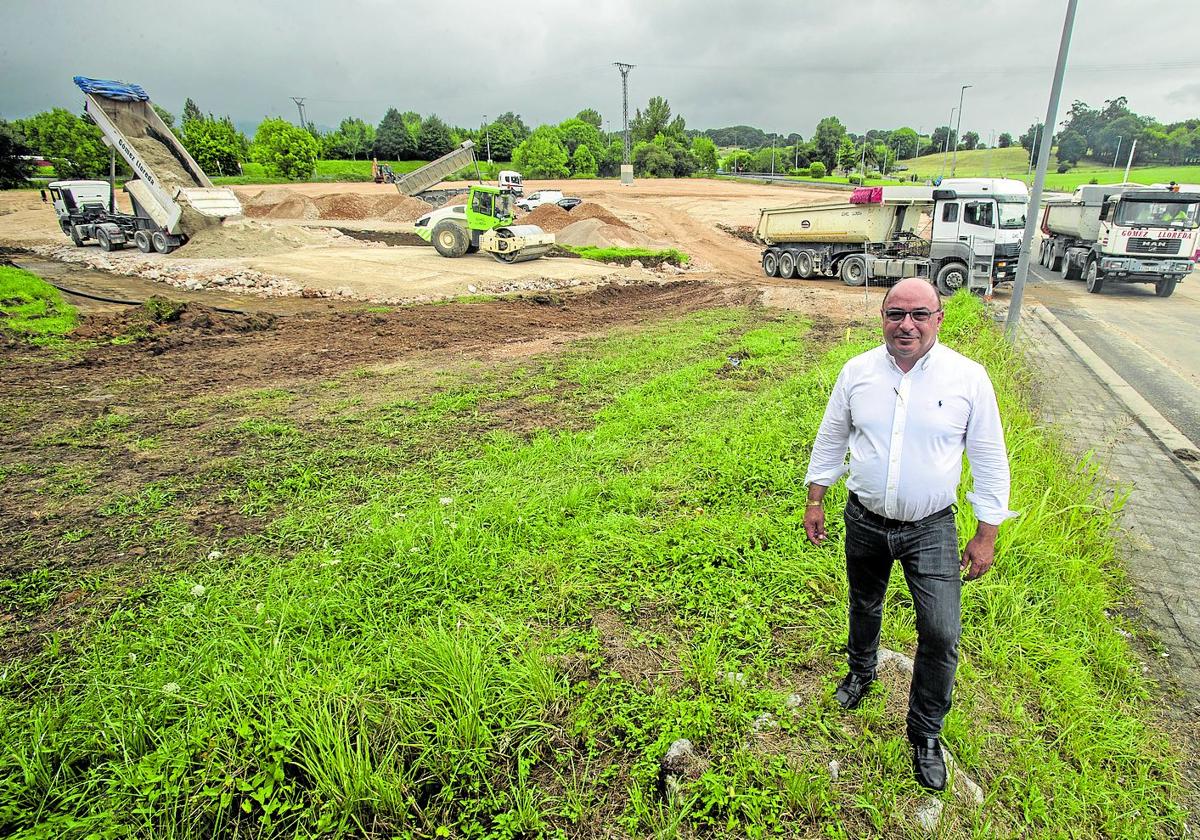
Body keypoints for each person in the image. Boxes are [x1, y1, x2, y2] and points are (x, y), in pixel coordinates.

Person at [802, 277, 1014, 791]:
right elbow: (832, 436)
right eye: (896, 313)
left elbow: (989, 458)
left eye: (920, 314)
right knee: (864, 604)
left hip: (931, 527)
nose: (907, 325)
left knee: (941, 632)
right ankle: (861, 672)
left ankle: (925, 733)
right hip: (865, 519)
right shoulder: (857, 373)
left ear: (939, 318)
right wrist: (816, 497)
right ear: (882, 316)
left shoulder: (967, 378)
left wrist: (986, 533)